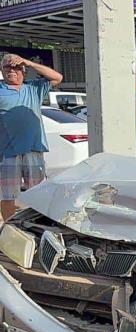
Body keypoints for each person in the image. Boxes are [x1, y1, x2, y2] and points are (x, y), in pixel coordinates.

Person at [0, 53, 62, 220]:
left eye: (16, 66)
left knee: (38, 194)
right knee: (7, 196)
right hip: (7, 153)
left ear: (24, 70)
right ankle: (8, 229)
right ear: (1, 70)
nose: (12, 70)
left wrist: (27, 61)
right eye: (7, 66)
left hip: (34, 149)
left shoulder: (34, 88)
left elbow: (57, 77)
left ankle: (38, 227)